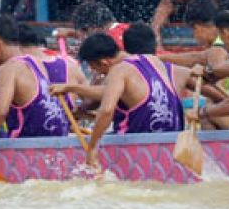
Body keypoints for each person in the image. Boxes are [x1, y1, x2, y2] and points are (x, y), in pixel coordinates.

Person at [59, 29, 191, 166]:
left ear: (104, 62)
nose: (95, 72)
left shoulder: (119, 70)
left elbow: (106, 110)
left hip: (138, 151)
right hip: (173, 146)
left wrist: (92, 149)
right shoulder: (165, 67)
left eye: (94, 68)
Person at [0, 17, 69, 157]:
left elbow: (0, 112)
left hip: (29, 147)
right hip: (58, 141)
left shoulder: (9, 68)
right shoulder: (34, 62)